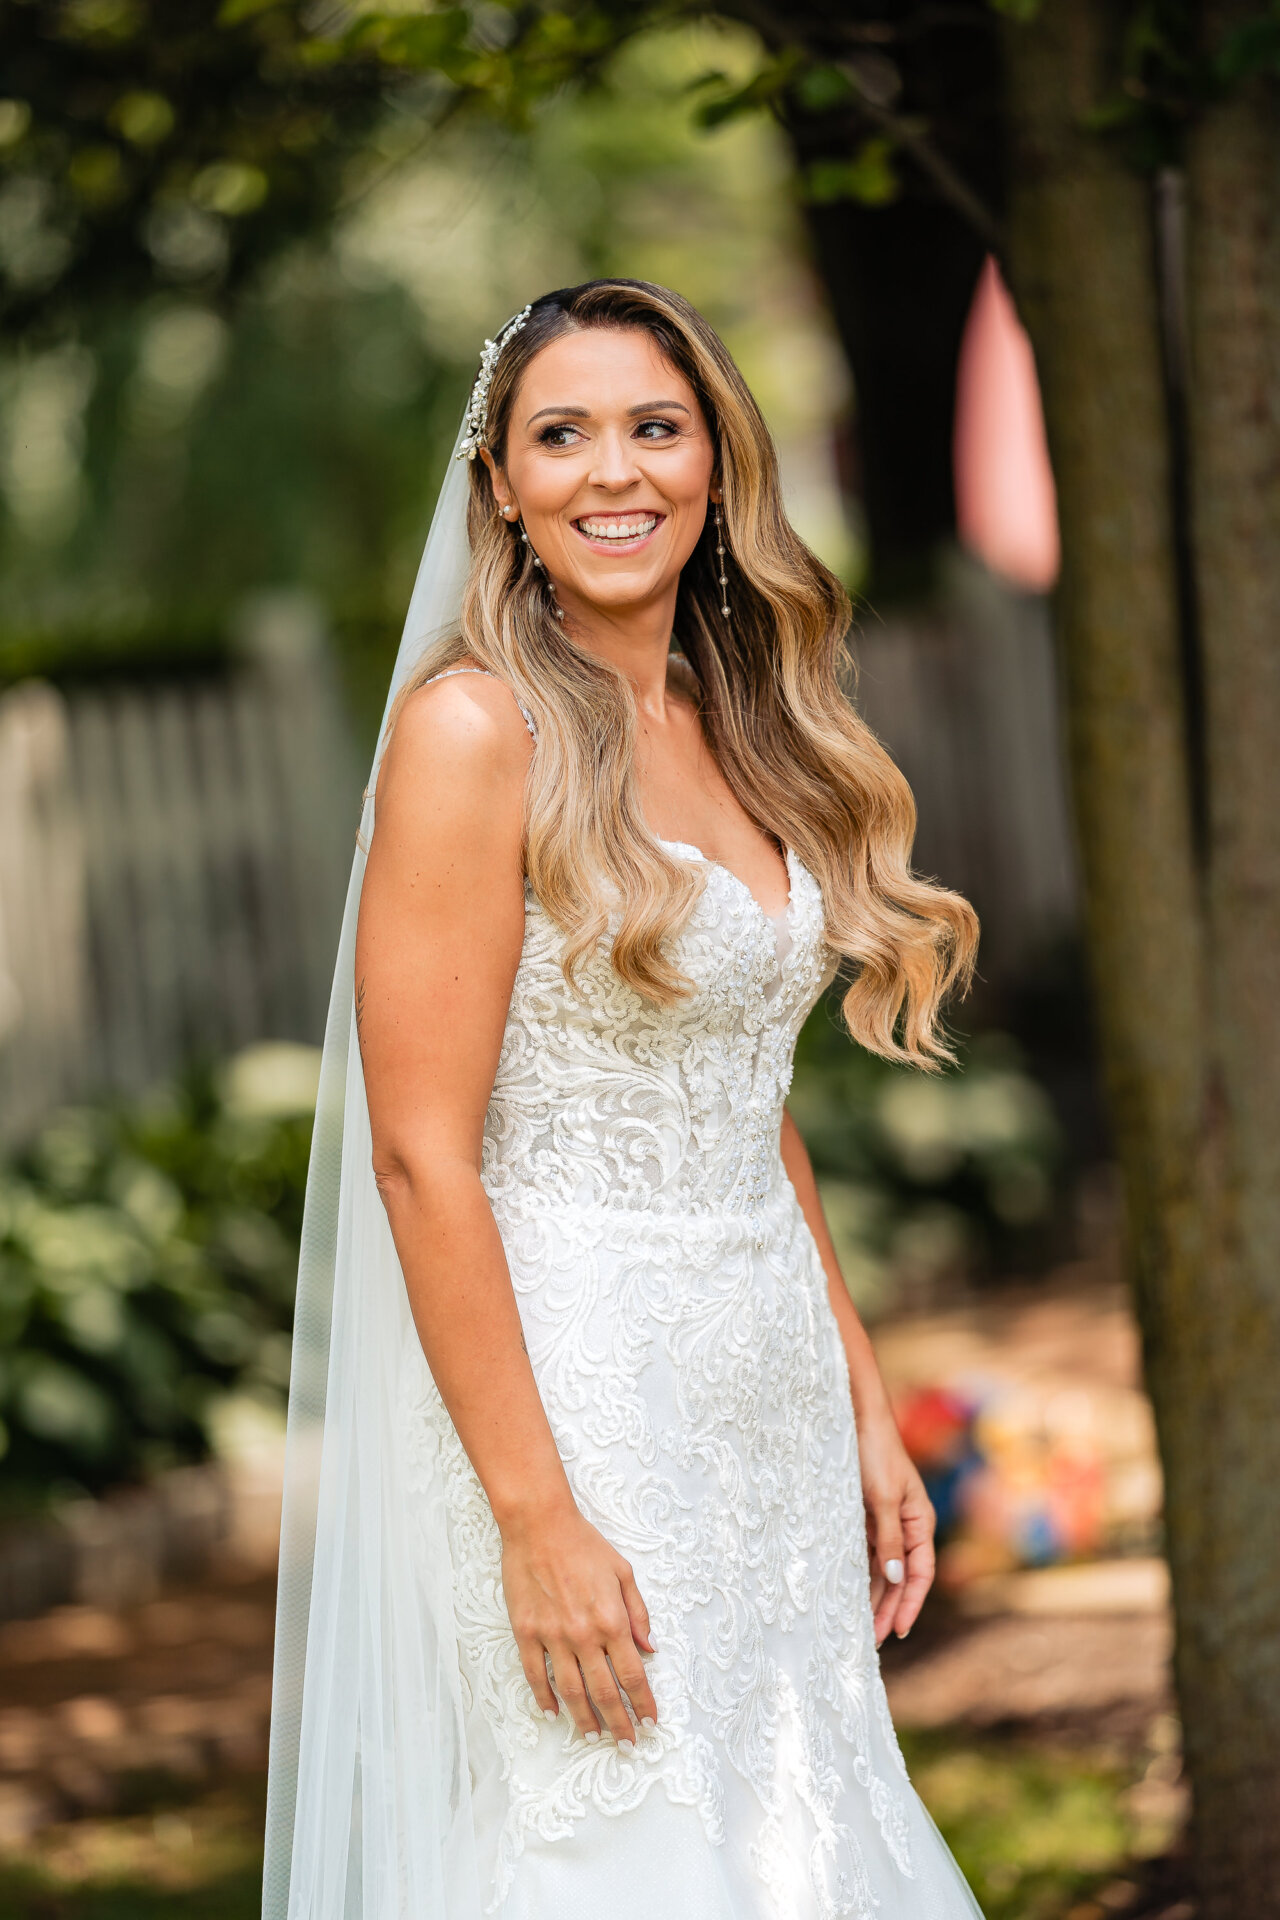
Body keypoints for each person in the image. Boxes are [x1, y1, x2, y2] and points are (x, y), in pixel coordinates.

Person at [262, 278, 985, 1920]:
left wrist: (862, 1398)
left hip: (767, 1389)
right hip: (577, 1396)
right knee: (614, 1841)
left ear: (717, 469)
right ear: (502, 487)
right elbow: (421, 1159)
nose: (615, 472)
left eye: (656, 429)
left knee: (790, 1828)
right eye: (562, 434)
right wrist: (536, 1515)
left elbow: (748, 1103)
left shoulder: (743, 721)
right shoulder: (474, 732)